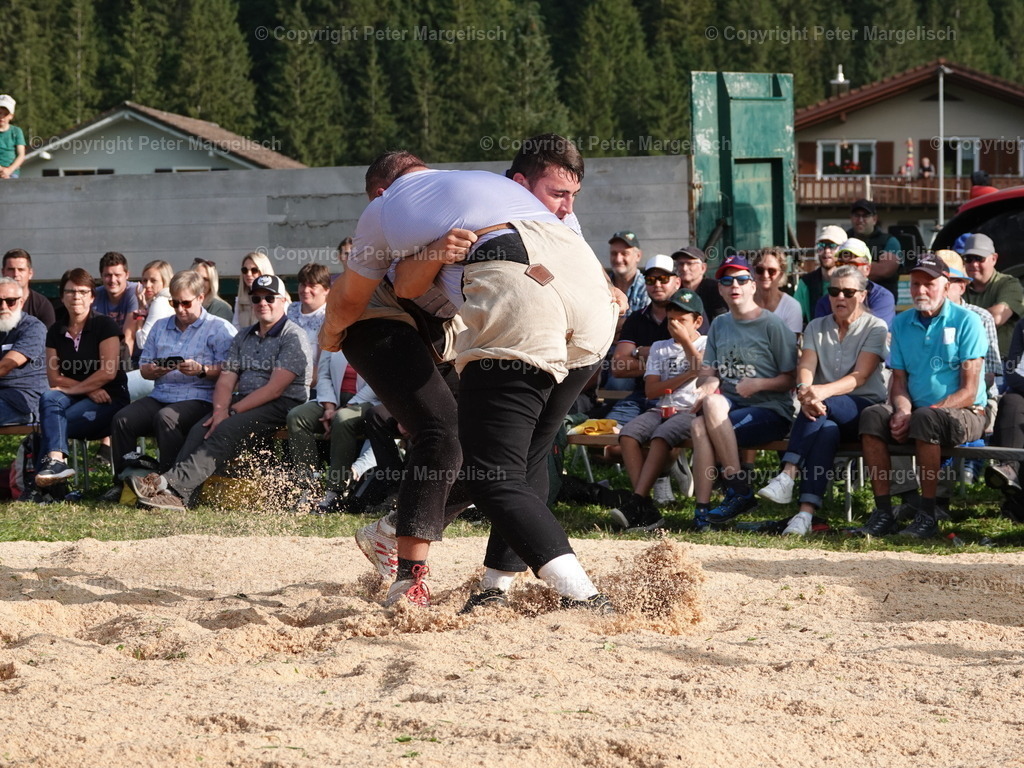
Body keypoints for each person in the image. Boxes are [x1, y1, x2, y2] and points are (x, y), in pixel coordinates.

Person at [321, 150, 617, 612]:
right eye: (560, 193)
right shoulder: (404, 204)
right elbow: (365, 296)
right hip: (386, 319)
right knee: (447, 435)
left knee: (501, 461)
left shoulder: (492, 203)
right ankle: (414, 577)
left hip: (471, 321)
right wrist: (332, 332)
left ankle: (478, 575)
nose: (566, 204)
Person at [128, 274, 311, 510]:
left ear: (284, 299)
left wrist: (231, 411)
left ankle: (169, 486)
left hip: (282, 403)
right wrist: (220, 410)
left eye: (269, 298)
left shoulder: (293, 335)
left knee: (225, 428)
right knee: (200, 429)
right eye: (256, 298)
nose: (262, 303)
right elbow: (226, 379)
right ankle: (178, 496)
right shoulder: (244, 335)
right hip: (244, 401)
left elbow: (275, 389)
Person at [856, 253, 987, 539]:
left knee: (927, 418)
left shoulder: (968, 321)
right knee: (873, 416)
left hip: (969, 412)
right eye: (915, 284)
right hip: (919, 411)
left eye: (929, 284)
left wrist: (921, 413)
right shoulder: (902, 323)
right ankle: (884, 512)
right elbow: (899, 382)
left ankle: (927, 514)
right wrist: (902, 410)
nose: (921, 290)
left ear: (945, 284)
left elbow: (969, 391)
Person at [755, 266, 889, 534]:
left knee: (820, 409)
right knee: (825, 429)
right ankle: (805, 515)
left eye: (848, 292)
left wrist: (819, 393)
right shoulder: (817, 325)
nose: (840, 297)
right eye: (834, 290)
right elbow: (805, 365)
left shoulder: (876, 326)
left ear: (862, 295)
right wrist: (806, 390)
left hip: (863, 409)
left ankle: (788, 474)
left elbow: (860, 376)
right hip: (822, 409)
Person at [106, 270, 237, 501]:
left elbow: (231, 371)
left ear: (201, 297)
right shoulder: (160, 326)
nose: (180, 309)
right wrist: (154, 369)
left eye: (185, 303)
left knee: (166, 417)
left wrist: (203, 370)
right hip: (162, 393)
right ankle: (123, 482)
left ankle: (170, 486)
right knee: (122, 419)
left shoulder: (219, 328)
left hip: (201, 397)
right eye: (174, 303)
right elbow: (144, 368)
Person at [689, 254, 797, 529]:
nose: (734, 285)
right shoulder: (721, 324)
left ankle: (737, 491)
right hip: (730, 408)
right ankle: (706, 509)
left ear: (752, 286)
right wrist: (708, 386)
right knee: (703, 419)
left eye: (741, 279)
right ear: (721, 289)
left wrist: (759, 383)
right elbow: (709, 371)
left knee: (705, 425)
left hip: (771, 410)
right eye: (727, 280)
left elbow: (791, 378)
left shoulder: (772, 324)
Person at [612, 289, 706, 532]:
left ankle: (637, 502)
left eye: (682, 321)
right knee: (628, 434)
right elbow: (651, 390)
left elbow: (704, 371)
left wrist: (686, 343)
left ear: (697, 321)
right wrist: (688, 374)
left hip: (690, 410)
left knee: (661, 436)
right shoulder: (659, 348)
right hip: (660, 408)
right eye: (671, 319)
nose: (674, 325)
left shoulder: (706, 343)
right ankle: (645, 505)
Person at [34, 269, 130, 489]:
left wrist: (80, 389)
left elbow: (108, 372)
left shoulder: (105, 326)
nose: (76, 296)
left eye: (82, 291)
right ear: (62, 297)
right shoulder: (55, 331)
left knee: (52, 425)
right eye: (70, 291)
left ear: (92, 297)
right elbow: (53, 377)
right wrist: (87, 390)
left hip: (110, 399)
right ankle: (57, 462)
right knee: (50, 397)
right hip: (82, 396)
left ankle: (44, 487)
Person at [286, 348, 380, 513]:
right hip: (332, 399)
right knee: (297, 417)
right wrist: (329, 406)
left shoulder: (377, 334)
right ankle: (309, 487)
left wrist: (344, 408)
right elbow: (324, 374)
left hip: (369, 401)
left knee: (343, 419)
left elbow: (378, 380)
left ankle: (334, 491)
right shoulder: (335, 332)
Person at [605, 255, 680, 424]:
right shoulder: (636, 319)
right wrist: (664, 361)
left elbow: (692, 363)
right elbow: (618, 366)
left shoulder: (687, 316)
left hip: (679, 399)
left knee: (661, 441)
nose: (657, 285)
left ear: (677, 282)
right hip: (640, 396)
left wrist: (646, 353)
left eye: (663, 278)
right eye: (651, 279)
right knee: (610, 441)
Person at [962, 233, 1024, 361]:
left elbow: (996, 318)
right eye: (969, 259)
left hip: (1005, 365)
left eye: (980, 258)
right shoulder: (960, 286)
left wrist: (960, 321)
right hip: (968, 362)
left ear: (994, 259)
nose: (974, 264)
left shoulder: (1009, 284)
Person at [812, 239, 895, 329]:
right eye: (841, 264)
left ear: (867, 269)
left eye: (852, 264)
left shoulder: (882, 297)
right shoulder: (825, 301)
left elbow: (876, 332)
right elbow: (820, 335)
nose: (846, 269)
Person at [0, 277, 47, 425]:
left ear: (21, 302)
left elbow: (5, 366)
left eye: (10, 301)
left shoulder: (33, 328)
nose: (3, 307)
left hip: (24, 403)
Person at [847, 199, 901, 301]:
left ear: (874, 219)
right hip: (848, 299)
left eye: (865, 216)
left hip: (879, 300)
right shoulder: (843, 238)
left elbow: (884, 270)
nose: (860, 219)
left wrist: (846, 266)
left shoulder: (890, 241)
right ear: (851, 218)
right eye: (856, 215)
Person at [286, 263, 330, 386]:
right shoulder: (291, 309)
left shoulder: (329, 317)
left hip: (314, 383)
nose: (305, 290)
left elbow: (323, 365)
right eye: (303, 285)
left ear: (326, 289)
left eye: (312, 286)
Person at [794, 225, 846, 324]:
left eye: (832, 246)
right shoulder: (805, 283)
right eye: (821, 246)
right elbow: (794, 316)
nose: (826, 251)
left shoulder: (853, 283)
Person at [670, 246, 728, 328]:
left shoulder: (715, 290)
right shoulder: (674, 291)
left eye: (690, 264)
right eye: (680, 264)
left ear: (703, 268)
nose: (684, 268)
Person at [127, 260, 174, 360]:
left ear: (165, 281)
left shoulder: (160, 302)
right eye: (144, 280)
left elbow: (143, 343)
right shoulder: (167, 300)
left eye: (153, 280)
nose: (147, 285)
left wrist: (141, 311)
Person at [751, 247, 803, 335]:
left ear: (781, 275)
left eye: (772, 271)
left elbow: (791, 345)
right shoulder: (743, 302)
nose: (765, 275)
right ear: (754, 272)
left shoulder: (791, 306)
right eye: (760, 270)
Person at [2, 249, 55, 328]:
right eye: (11, 269)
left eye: (21, 270)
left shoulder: (42, 305)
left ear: (30, 273)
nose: (16, 274)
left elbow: (48, 338)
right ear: (3, 272)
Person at [232, 251, 277, 330]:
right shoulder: (239, 300)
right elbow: (235, 330)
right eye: (245, 270)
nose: (248, 274)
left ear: (264, 271)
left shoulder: (278, 298)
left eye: (254, 270)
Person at [93, 252, 140, 328]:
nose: (113, 280)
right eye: (108, 275)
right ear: (101, 276)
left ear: (127, 275)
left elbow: (129, 336)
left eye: (117, 275)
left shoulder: (135, 291)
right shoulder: (94, 295)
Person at [607, 231, 649, 315]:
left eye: (624, 254)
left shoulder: (648, 287)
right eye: (614, 253)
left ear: (638, 256)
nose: (618, 259)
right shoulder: (603, 285)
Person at [0, 95, 26, 179]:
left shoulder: (16, 131)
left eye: (6, 114)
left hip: (12, 173)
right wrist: (1, 170)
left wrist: (9, 170)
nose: (2, 117)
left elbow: (21, 155)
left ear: (11, 116)